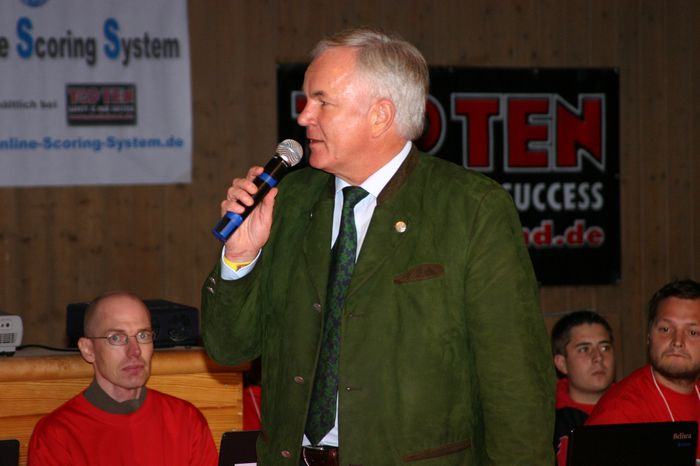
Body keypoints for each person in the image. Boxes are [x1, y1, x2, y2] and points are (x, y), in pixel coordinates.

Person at [202, 27, 554, 465]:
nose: (304, 116)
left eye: (322, 101)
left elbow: (515, 384)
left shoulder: (470, 208)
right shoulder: (288, 200)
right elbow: (229, 348)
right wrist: (240, 256)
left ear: (380, 116)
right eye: (307, 100)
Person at [28, 291, 218, 466]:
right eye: (116, 338)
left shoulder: (185, 420)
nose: (135, 351)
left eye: (143, 335)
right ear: (88, 349)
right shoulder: (57, 436)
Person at [586, 279, 700, 458]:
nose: (677, 342)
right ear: (649, 337)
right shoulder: (619, 414)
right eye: (665, 329)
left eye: (693, 332)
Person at [550, 310, 615, 463]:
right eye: (584, 349)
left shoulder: (638, 405)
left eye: (605, 348)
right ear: (562, 363)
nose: (598, 357)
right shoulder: (548, 420)